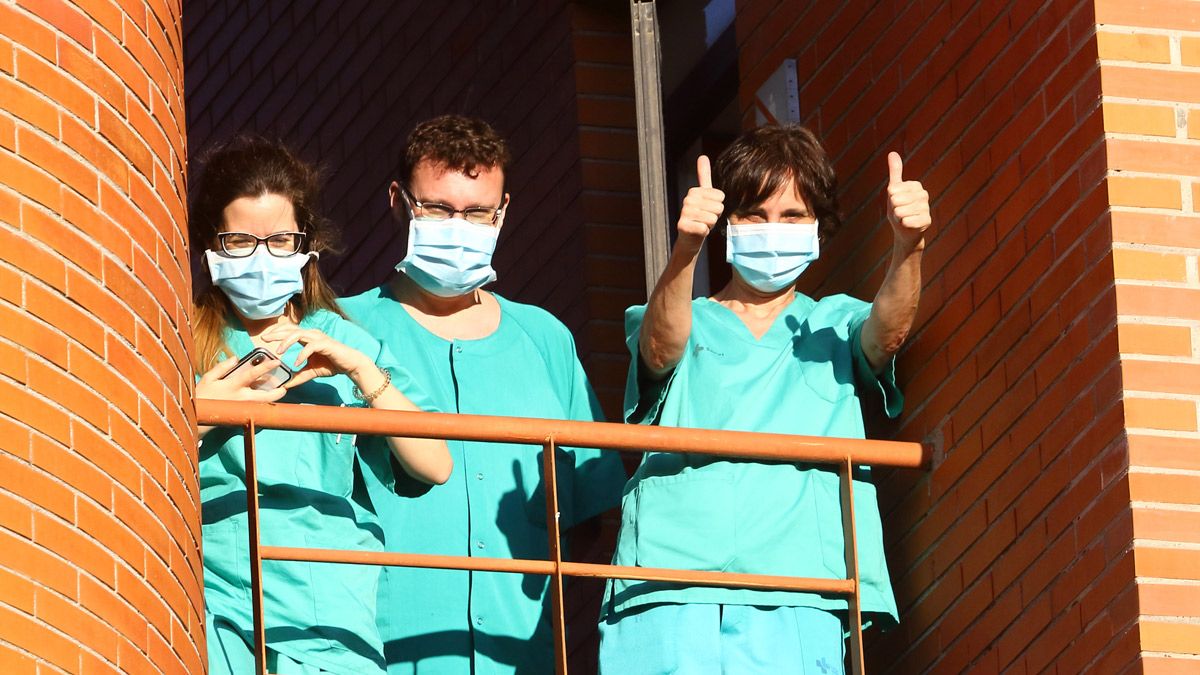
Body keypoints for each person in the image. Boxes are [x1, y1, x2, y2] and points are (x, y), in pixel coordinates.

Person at [598, 124, 931, 674]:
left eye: (792, 216)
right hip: (669, 585)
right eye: (753, 215)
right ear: (727, 226)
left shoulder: (833, 322)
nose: (771, 229)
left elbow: (887, 333)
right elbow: (659, 348)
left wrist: (908, 244)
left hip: (799, 587)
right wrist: (685, 249)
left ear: (819, 228)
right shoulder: (685, 314)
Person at [341, 114, 627, 674]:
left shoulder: (545, 339)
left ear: (503, 212)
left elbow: (592, 515)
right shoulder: (343, 330)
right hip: (380, 652)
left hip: (522, 654)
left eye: (476, 213)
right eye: (439, 209)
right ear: (398, 202)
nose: (458, 225)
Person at [192, 136, 452, 675]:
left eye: (281, 240)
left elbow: (435, 464)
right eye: (240, 241)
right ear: (210, 249)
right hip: (222, 609)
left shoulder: (340, 340)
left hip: (332, 621)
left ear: (306, 246)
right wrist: (199, 409)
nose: (262, 258)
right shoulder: (183, 342)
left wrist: (361, 370)